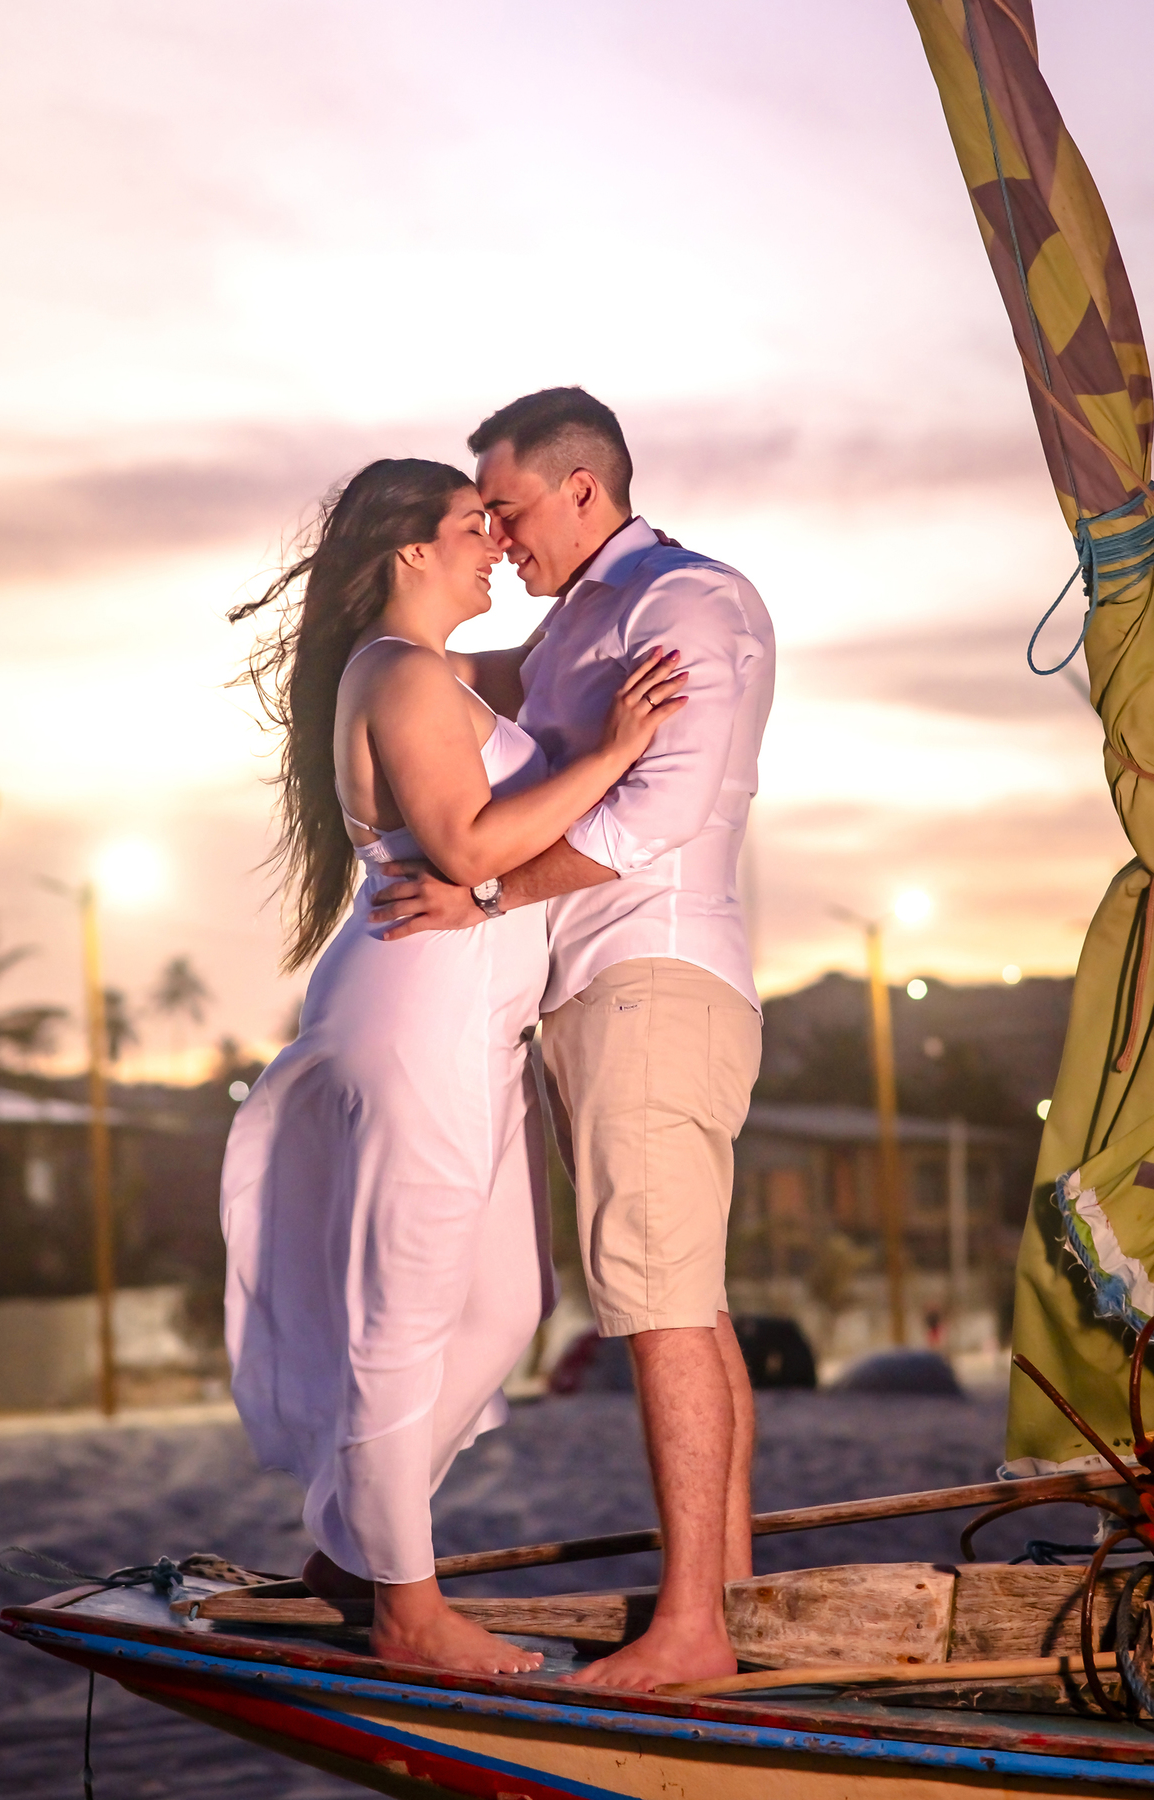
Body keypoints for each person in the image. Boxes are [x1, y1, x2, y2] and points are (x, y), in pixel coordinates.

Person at [220, 457, 684, 1675]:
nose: (493, 545)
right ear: (412, 550)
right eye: (474, 527)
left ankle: (354, 1550)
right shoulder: (398, 673)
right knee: (407, 1316)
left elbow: (548, 662)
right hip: (416, 1012)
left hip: (473, 1027)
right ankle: (410, 1613)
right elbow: (469, 842)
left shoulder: (431, 673)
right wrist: (616, 754)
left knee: (506, 1307)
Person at [368, 390, 776, 1691]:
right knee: (680, 1302)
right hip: (599, 990)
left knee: (652, 1303)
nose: (498, 531)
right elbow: (478, 716)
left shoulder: (687, 602)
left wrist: (487, 891)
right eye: (478, 517)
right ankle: (726, 1603)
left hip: (655, 976)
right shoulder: (573, 629)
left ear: (584, 489)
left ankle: (693, 1632)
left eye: (511, 507)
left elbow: (661, 807)